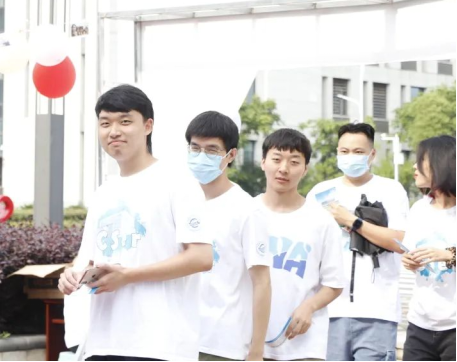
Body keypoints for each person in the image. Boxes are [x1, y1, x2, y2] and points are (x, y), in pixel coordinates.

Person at [58, 84, 212, 361]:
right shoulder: (103, 193)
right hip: (101, 343)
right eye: (105, 123)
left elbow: (201, 257)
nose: (114, 131)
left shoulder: (178, 182)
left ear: (148, 126)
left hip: (160, 345)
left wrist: (128, 276)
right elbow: (87, 260)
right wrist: (72, 276)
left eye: (125, 121)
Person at [307, 123, 409, 361]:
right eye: (344, 151)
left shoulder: (391, 190)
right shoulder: (320, 192)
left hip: (377, 312)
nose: (350, 157)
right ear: (337, 152)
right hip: (328, 311)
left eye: (358, 152)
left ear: (372, 154)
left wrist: (353, 221)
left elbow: (400, 242)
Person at [185, 111, 271, 362]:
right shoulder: (180, 201)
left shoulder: (247, 210)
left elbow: (262, 282)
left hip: (222, 344)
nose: (201, 156)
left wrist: (257, 350)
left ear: (231, 155)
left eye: (212, 150)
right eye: (195, 148)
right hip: (178, 337)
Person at [257, 129, 345, 361]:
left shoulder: (321, 221)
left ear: (305, 169)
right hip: (249, 343)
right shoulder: (245, 214)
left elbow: (334, 283)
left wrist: (310, 306)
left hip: (304, 346)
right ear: (263, 162)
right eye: (276, 159)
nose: (284, 168)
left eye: (294, 162)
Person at [401, 135, 456, 362]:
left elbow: (447, 255)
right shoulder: (419, 209)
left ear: (440, 164)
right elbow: (410, 251)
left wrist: (449, 255)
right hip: (420, 324)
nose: (414, 167)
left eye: (420, 160)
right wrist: (409, 261)